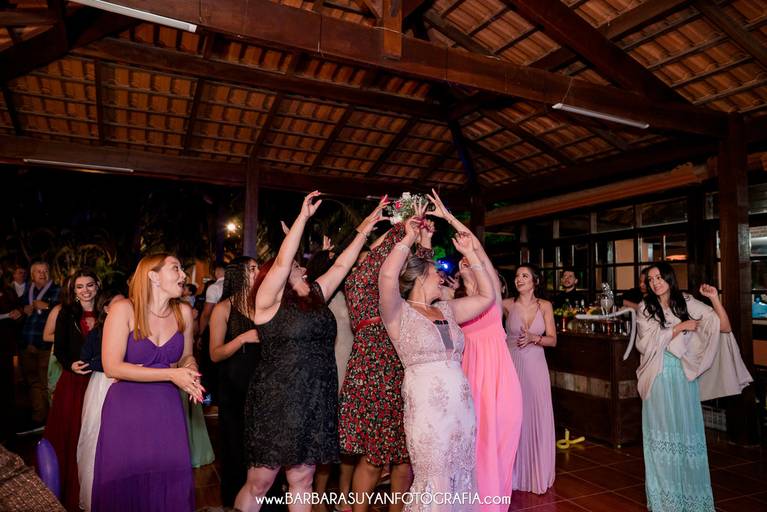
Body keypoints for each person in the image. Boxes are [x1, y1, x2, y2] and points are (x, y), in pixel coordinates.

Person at [236, 192, 386, 512]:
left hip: (316, 397)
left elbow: (343, 263)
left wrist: (364, 228)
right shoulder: (267, 302)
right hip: (278, 399)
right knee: (260, 483)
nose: (300, 266)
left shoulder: (317, 294)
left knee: (303, 480)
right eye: (295, 263)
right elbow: (281, 262)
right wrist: (302, 219)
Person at [379, 219, 493, 510]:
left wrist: (472, 253)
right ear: (419, 277)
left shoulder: (447, 309)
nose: (441, 278)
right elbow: (388, 276)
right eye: (435, 273)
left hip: (462, 410)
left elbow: (487, 296)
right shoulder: (398, 313)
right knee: (435, 476)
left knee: (461, 472)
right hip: (428, 411)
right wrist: (408, 237)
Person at [427, 190, 522, 508]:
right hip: (468, 382)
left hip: (499, 381)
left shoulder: (491, 299)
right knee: (472, 450)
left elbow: (476, 247)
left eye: (475, 262)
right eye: (464, 262)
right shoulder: (453, 304)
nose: (470, 262)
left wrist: (450, 218)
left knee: (501, 444)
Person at [339, 200, 434, 512]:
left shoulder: (392, 290)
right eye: (369, 259)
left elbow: (418, 277)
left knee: (404, 456)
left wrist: (424, 240)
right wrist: (403, 227)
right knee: (373, 456)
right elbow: (380, 256)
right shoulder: (356, 283)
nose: (374, 261)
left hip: (401, 368)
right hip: (372, 370)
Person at [636, 262, 752, 512]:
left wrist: (714, 298)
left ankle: (692, 499)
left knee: (687, 434)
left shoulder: (686, 302)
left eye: (659, 277)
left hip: (683, 377)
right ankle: (665, 502)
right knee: (661, 437)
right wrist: (680, 327)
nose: (655, 283)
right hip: (657, 377)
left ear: (669, 278)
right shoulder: (645, 308)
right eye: (651, 279)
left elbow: (724, 327)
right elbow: (645, 344)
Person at [92, 254, 202, 512]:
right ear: (153, 276)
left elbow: (186, 355)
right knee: (127, 481)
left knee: (171, 477)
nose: (183, 275)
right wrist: (171, 375)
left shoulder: (184, 312)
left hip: (167, 408)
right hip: (127, 410)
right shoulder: (123, 309)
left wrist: (190, 369)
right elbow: (111, 367)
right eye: (176, 268)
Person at [44, 269, 101, 511]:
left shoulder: (108, 311)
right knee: (73, 431)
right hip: (74, 382)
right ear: (74, 290)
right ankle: (71, 488)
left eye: (89, 285)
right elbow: (60, 349)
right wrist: (70, 365)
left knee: (97, 432)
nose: (85, 290)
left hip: (101, 380)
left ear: (97, 285)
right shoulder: (67, 313)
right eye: (80, 286)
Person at [305, 249, 356, 511]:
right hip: (326, 374)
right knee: (324, 439)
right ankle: (316, 495)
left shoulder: (351, 294)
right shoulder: (317, 298)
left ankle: (344, 495)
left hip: (352, 372)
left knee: (348, 441)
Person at [209, 256, 260, 506]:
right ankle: (235, 503)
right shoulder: (223, 308)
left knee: (261, 448)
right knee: (236, 447)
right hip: (234, 387)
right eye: (252, 269)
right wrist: (242, 338)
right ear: (238, 274)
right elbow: (214, 353)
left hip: (262, 385)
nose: (258, 272)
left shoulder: (264, 304)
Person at [503, 264, 557, 495]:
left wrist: (535, 337)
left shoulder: (545, 306)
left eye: (525, 276)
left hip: (535, 366)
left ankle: (536, 472)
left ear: (535, 281)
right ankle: (513, 474)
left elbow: (553, 340)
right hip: (512, 364)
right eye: (517, 276)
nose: (519, 279)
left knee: (537, 415)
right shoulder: (506, 304)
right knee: (514, 417)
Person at [77, 289, 124, 512]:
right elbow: (85, 359)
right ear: (106, 308)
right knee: (97, 435)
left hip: (126, 383)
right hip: (103, 384)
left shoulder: (131, 327)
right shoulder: (98, 331)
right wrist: (108, 365)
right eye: (119, 304)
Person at [19, 261, 60, 427]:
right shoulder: (28, 290)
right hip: (27, 343)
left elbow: (65, 309)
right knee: (33, 382)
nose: (42, 274)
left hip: (45, 346)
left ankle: (52, 420)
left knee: (46, 383)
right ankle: (39, 418)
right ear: (32, 275)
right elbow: (19, 309)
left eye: (45, 271)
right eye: (38, 271)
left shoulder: (57, 290)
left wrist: (48, 306)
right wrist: (23, 310)